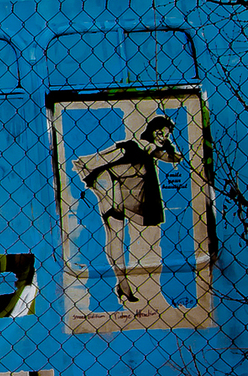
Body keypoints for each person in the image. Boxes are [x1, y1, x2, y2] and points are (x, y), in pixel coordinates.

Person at [70, 114, 184, 307]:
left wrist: (167, 144)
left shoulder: (153, 150)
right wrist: (87, 169)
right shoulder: (131, 145)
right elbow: (98, 158)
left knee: (117, 237)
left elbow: (176, 158)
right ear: (152, 130)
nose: (163, 137)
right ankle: (123, 284)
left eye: (166, 134)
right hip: (109, 183)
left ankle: (122, 284)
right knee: (116, 234)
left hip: (123, 189)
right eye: (160, 133)